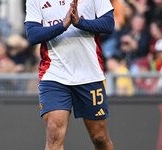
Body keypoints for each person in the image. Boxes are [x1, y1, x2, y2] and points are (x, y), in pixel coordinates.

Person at [25, 0, 115, 149]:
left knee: (99, 137)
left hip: (90, 73)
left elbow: (109, 24)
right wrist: (62, 25)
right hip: (54, 74)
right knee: (54, 134)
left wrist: (79, 22)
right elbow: (32, 34)